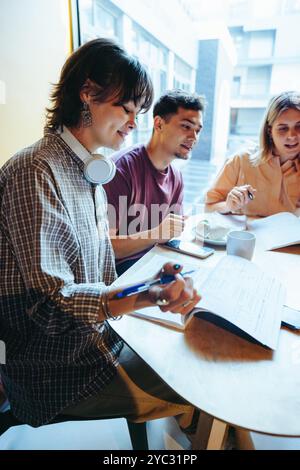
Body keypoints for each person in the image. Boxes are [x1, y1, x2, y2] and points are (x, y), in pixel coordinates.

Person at [0, 39, 201, 430]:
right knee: (195, 388)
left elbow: (101, 275)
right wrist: (148, 296)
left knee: (189, 353)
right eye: (125, 109)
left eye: (138, 112)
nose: (133, 122)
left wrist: (146, 291)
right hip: (56, 370)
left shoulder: (89, 171)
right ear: (88, 93)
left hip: (98, 340)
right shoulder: (35, 170)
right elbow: (53, 298)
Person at [104, 89, 205, 276]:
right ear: (159, 124)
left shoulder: (176, 177)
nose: (194, 138)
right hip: (121, 273)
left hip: (158, 262)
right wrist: (156, 233)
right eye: (186, 127)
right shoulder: (120, 169)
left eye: (198, 130)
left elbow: (170, 234)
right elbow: (106, 247)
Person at [205, 91, 300, 216]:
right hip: (246, 234)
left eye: (299, 126)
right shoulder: (240, 161)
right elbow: (209, 208)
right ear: (269, 131)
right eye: (283, 128)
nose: (292, 136)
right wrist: (228, 205)